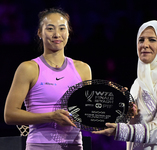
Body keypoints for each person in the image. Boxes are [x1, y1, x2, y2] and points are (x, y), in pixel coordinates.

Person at [93, 20, 157, 150]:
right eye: (141, 40)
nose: (145, 45)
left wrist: (120, 130)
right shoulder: (138, 83)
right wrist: (125, 113)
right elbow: (138, 122)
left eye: (152, 40)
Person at [4, 8, 92, 150]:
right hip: (39, 146)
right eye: (50, 29)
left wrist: (120, 106)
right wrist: (51, 117)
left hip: (74, 145)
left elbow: (88, 111)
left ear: (68, 32)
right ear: (40, 33)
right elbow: (9, 115)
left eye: (62, 28)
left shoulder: (83, 69)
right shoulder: (28, 68)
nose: (57, 34)